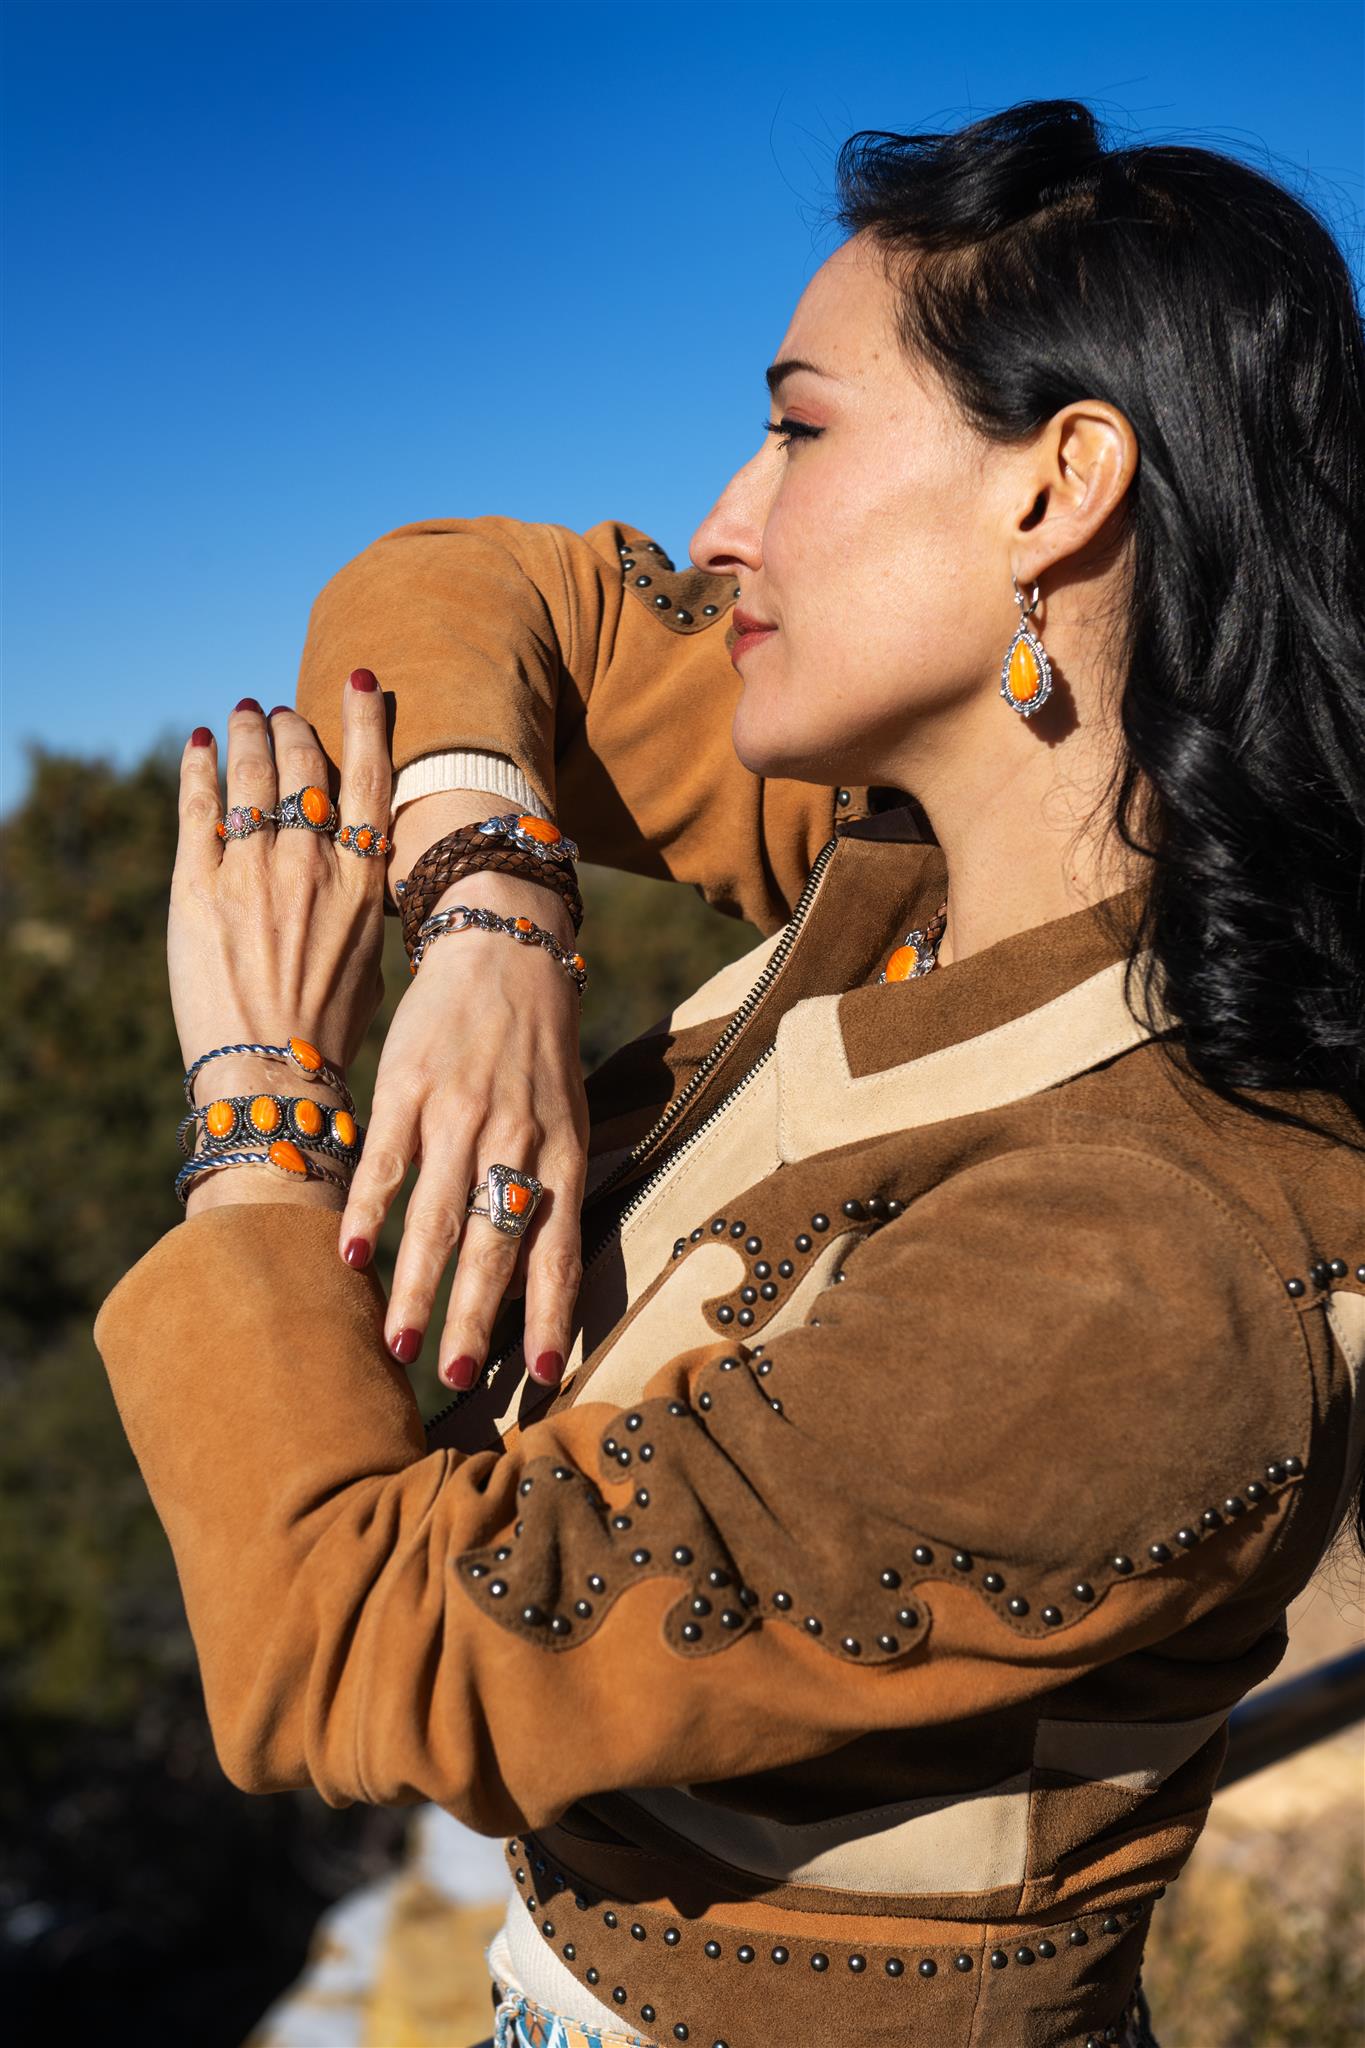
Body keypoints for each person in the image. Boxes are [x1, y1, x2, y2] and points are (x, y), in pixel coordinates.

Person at [94, 99, 1365, 2048]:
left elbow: (367, 1655)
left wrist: (261, 1113)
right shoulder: (898, 859)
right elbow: (458, 590)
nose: (720, 522)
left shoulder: (1151, 1256)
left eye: (798, 427)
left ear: (1054, 490)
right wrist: (489, 909)